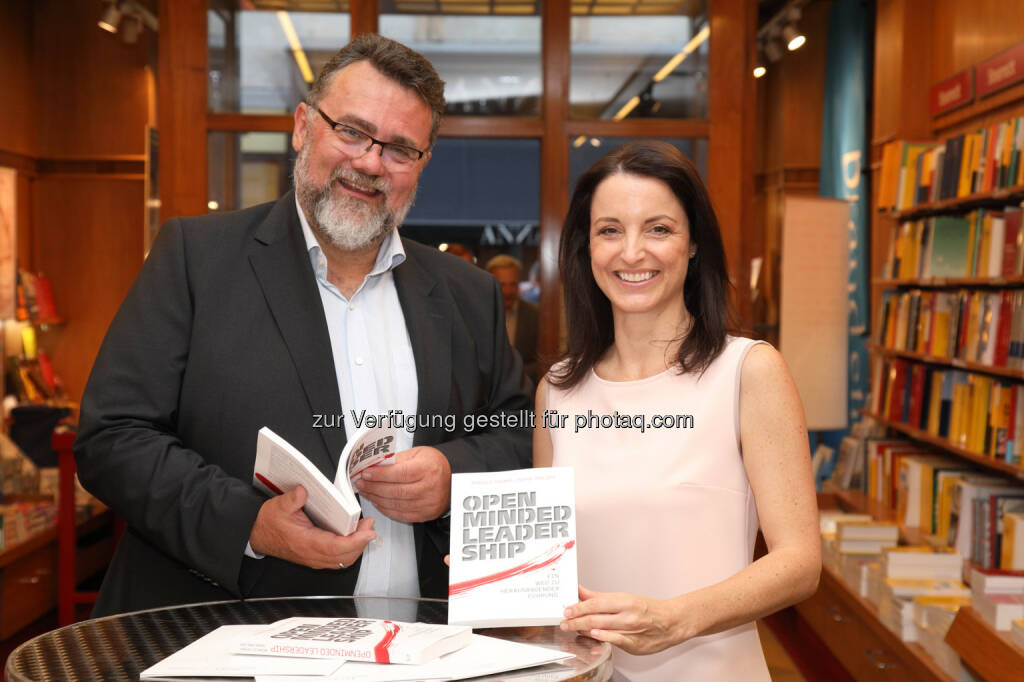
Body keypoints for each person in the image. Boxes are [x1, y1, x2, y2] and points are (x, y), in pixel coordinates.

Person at [74, 34, 532, 617]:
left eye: (398, 148)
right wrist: (252, 525)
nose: (369, 162)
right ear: (302, 126)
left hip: (427, 652)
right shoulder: (195, 259)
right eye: (351, 131)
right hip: (225, 641)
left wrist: (451, 476)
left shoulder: (470, 294)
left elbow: (519, 436)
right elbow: (113, 437)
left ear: (421, 165)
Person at [533, 141, 819, 681]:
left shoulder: (747, 371)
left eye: (659, 229)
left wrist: (674, 619)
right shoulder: (557, 391)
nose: (632, 252)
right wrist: (504, 575)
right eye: (610, 230)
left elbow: (800, 563)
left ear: (692, 246)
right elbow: (554, 564)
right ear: (585, 247)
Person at [485, 254, 539, 385]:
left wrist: (513, 376)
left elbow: (543, 360)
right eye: (502, 285)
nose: (508, 291)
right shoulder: (478, 313)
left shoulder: (535, 314)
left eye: (512, 284)